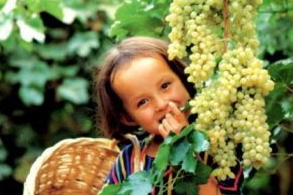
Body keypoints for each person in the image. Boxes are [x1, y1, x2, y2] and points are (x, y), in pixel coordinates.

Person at [96, 36, 243, 195]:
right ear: (127, 117)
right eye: (143, 102)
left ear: (184, 77)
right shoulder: (128, 161)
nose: (161, 104)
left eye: (165, 86)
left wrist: (184, 151)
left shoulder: (215, 145)